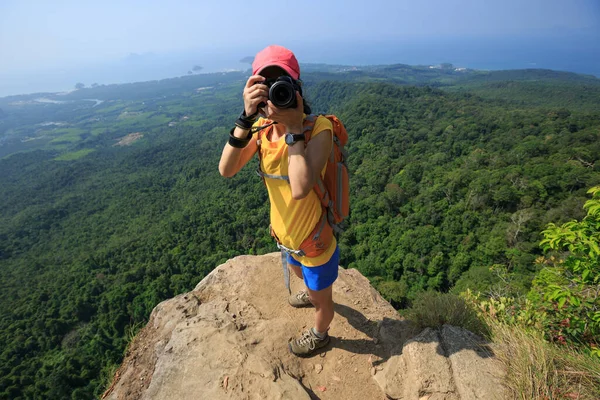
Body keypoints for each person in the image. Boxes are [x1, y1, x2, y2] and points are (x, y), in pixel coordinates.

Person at [218, 45, 339, 357]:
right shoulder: (261, 131)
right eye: (265, 85)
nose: (274, 93)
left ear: (295, 88)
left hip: (314, 241)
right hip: (285, 237)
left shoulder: (318, 130)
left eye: (281, 84)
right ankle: (310, 293)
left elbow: (300, 187)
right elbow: (227, 169)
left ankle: (320, 333)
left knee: (322, 300)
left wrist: (295, 127)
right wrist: (245, 118)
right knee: (300, 274)